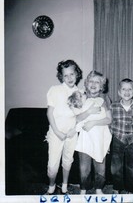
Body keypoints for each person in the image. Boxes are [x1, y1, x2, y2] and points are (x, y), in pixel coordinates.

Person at [70, 71, 112, 195]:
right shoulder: (81, 97)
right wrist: (89, 112)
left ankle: (98, 188)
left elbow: (109, 119)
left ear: (102, 86)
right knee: (84, 168)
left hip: (100, 137)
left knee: (101, 168)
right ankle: (83, 188)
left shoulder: (105, 99)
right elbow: (76, 118)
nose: (94, 84)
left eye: (97, 82)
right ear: (86, 84)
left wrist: (93, 123)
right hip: (85, 138)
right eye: (91, 81)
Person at [45, 59, 83, 194]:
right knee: (52, 165)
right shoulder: (54, 90)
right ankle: (51, 187)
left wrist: (74, 130)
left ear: (77, 74)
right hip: (56, 133)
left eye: (72, 74)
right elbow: (49, 113)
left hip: (72, 133)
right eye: (65, 75)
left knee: (68, 160)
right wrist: (56, 131)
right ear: (61, 76)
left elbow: (80, 116)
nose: (69, 78)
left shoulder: (81, 93)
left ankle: (65, 186)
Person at [110, 78, 133, 194]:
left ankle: (131, 189)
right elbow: (110, 125)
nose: (126, 92)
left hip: (132, 141)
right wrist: (107, 142)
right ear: (119, 92)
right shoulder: (113, 106)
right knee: (116, 167)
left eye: (129, 89)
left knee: (132, 168)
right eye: (123, 89)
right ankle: (117, 188)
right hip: (117, 139)